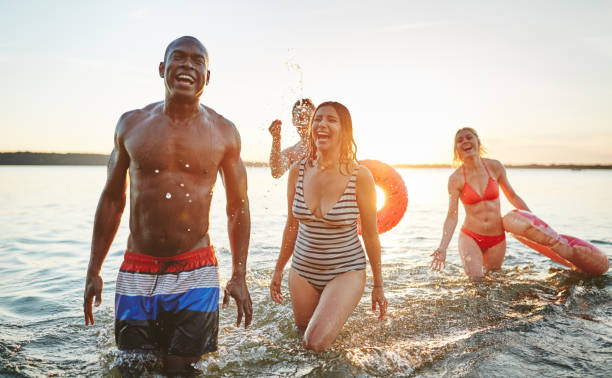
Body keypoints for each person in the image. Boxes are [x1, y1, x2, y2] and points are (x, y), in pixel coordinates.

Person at [83, 36, 252, 374]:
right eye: (179, 58)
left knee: (181, 371)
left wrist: (239, 274)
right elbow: (113, 198)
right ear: (162, 69)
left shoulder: (224, 132)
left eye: (197, 60)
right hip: (137, 269)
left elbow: (238, 206)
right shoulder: (130, 125)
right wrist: (93, 269)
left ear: (208, 75)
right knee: (132, 369)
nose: (188, 65)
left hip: (197, 269)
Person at [269, 101, 387, 351]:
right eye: (318, 119)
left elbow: (370, 234)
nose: (322, 124)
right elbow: (292, 225)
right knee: (303, 341)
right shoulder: (296, 171)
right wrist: (279, 268)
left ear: (344, 130)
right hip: (302, 271)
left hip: (345, 271)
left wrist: (378, 284)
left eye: (331, 120)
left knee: (314, 342)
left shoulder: (360, 176)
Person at [431, 127, 530, 278]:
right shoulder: (455, 179)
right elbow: (452, 215)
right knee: (476, 281)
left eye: (469, 137)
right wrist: (443, 247)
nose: (465, 141)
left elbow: (513, 196)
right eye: (460, 140)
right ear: (456, 149)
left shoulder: (495, 167)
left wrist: (534, 222)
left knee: (494, 280)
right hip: (470, 237)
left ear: (478, 142)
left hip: (497, 238)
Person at [268, 98, 316, 178]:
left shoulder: (324, 146)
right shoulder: (291, 153)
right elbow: (276, 172)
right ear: (293, 121)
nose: (305, 122)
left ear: (315, 119)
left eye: (308, 118)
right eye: (300, 118)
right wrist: (276, 139)